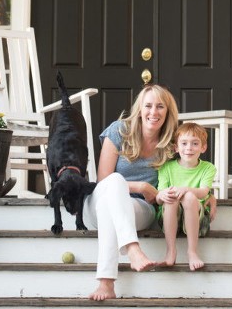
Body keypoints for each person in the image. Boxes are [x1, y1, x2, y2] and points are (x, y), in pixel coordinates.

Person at [83, 83, 179, 301]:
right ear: (140, 109)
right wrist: (142, 186)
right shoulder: (119, 131)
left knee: (113, 212)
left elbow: (189, 173)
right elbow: (103, 180)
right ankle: (132, 248)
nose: (153, 112)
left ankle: (106, 284)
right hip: (99, 201)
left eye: (160, 107)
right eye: (148, 106)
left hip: (138, 209)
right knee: (115, 181)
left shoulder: (172, 145)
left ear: (168, 112)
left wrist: (209, 197)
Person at [155, 122, 217, 271]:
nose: (189, 148)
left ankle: (192, 252)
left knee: (189, 197)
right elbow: (159, 197)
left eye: (195, 143)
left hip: (197, 217)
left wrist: (185, 190)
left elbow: (203, 192)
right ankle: (170, 251)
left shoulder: (208, 168)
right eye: (184, 143)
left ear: (203, 147)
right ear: (176, 147)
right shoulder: (166, 167)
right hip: (170, 217)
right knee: (170, 198)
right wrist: (163, 195)